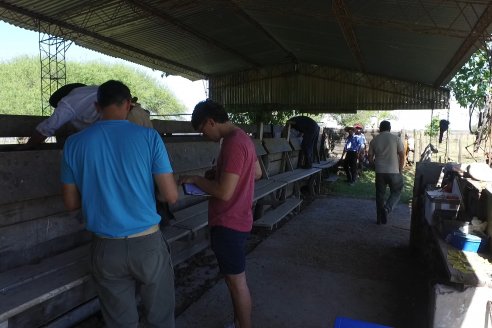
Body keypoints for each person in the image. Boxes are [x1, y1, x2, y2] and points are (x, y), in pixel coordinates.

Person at [61, 80, 178, 327]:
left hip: (105, 249)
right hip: (148, 245)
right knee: (161, 318)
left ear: (96, 106)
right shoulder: (149, 137)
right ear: (128, 104)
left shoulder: (74, 143)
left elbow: (71, 204)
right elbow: (170, 196)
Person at [179, 99, 262, 328]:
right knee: (234, 281)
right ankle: (238, 323)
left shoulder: (233, 143)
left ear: (210, 121)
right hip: (241, 218)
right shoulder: (243, 137)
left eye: (203, 130)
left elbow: (224, 193)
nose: (205, 135)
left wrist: (198, 180)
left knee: (237, 283)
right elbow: (255, 173)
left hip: (228, 223)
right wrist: (220, 172)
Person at [27, 83, 152, 147]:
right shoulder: (91, 91)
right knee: (147, 157)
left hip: (126, 119)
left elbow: (47, 128)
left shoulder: (68, 102)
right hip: (139, 114)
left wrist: (28, 147)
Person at [368, 120, 404, 225]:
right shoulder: (396, 139)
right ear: (390, 128)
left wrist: (374, 166)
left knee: (380, 195)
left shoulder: (374, 140)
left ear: (380, 128)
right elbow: (402, 156)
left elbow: (370, 157)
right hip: (394, 171)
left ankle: (379, 219)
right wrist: (400, 170)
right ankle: (387, 209)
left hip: (380, 171)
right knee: (397, 191)